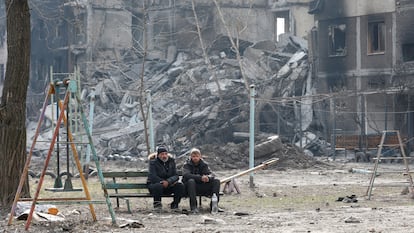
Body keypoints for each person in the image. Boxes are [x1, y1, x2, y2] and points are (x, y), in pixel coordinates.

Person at [182, 148, 221, 214]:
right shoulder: (186, 165)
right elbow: (186, 175)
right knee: (191, 181)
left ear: (200, 156)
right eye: (193, 156)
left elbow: (211, 174)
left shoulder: (204, 164)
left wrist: (208, 178)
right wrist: (200, 178)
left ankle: (214, 206)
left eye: (197, 156)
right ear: (190, 157)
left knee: (216, 181)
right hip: (190, 188)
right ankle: (193, 207)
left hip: (202, 186)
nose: (195, 158)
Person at [147, 146, 185, 210]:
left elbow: (176, 176)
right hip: (155, 185)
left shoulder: (171, 162)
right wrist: (162, 182)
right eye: (162, 154)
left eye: (165, 154)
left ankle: (175, 205)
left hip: (169, 185)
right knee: (158, 186)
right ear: (158, 155)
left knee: (180, 186)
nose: (164, 156)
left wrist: (168, 181)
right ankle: (157, 205)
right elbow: (152, 176)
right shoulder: (153, 163)